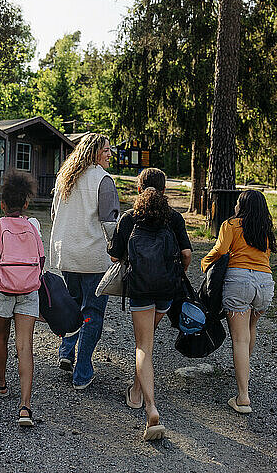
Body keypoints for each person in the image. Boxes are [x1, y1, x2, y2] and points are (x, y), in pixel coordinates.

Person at [107, 168, 192, 441]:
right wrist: (179, 273)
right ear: (164, 191)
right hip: (166, 290)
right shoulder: (174, 217)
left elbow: (114, 257)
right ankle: (135, 391)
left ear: (139, 188)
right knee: (149, 342)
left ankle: (151, 407)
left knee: (143, 346)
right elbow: (187, 253)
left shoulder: (129, 218)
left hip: (141, 289)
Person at [50, 132, 120, 390]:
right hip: (93, 258)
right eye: (105, 151)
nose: (110, 154)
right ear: (93, 153)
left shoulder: (64, 178)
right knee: (92, 314)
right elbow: (110, 223)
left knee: (72, 306)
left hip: (67, 255)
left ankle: (66, 351)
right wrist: (118, 250)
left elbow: (55, 214)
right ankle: (82, 372)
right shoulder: (103, 180)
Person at [0, 168, 41, 427]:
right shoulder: (33, 224)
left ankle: (1, 384)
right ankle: (25, 406)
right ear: (26, 203)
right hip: (28, 289)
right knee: (25, 346)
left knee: (0, 336)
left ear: (2, 204)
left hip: (1, 288)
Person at [201, 189, 275, 414]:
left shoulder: (231, 225)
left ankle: (243, 396)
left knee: (240, 340)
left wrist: (204, 263)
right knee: (251, 329)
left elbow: (220, 250)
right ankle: (245, 372)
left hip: (239, 282)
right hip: (265, 283)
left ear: (241, 206)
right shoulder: (265, 230)